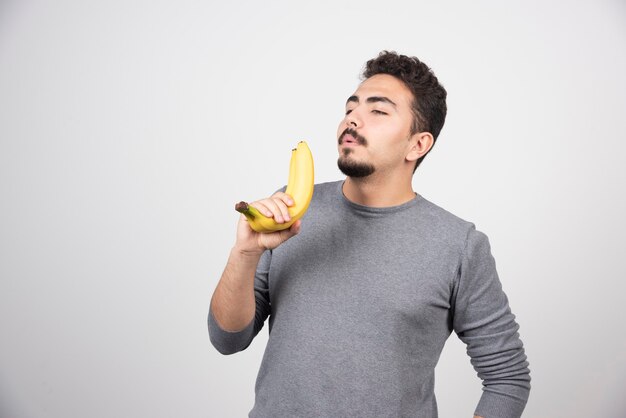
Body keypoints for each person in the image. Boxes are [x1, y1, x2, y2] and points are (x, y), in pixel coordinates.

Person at [208, 51, 531, 418]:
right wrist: (245, 254)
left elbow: (507, 378)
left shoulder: (459, 246)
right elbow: (227, 339)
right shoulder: (291, 211)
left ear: (418, 144)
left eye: (378, 111)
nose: (353, 120)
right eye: (350, 108)